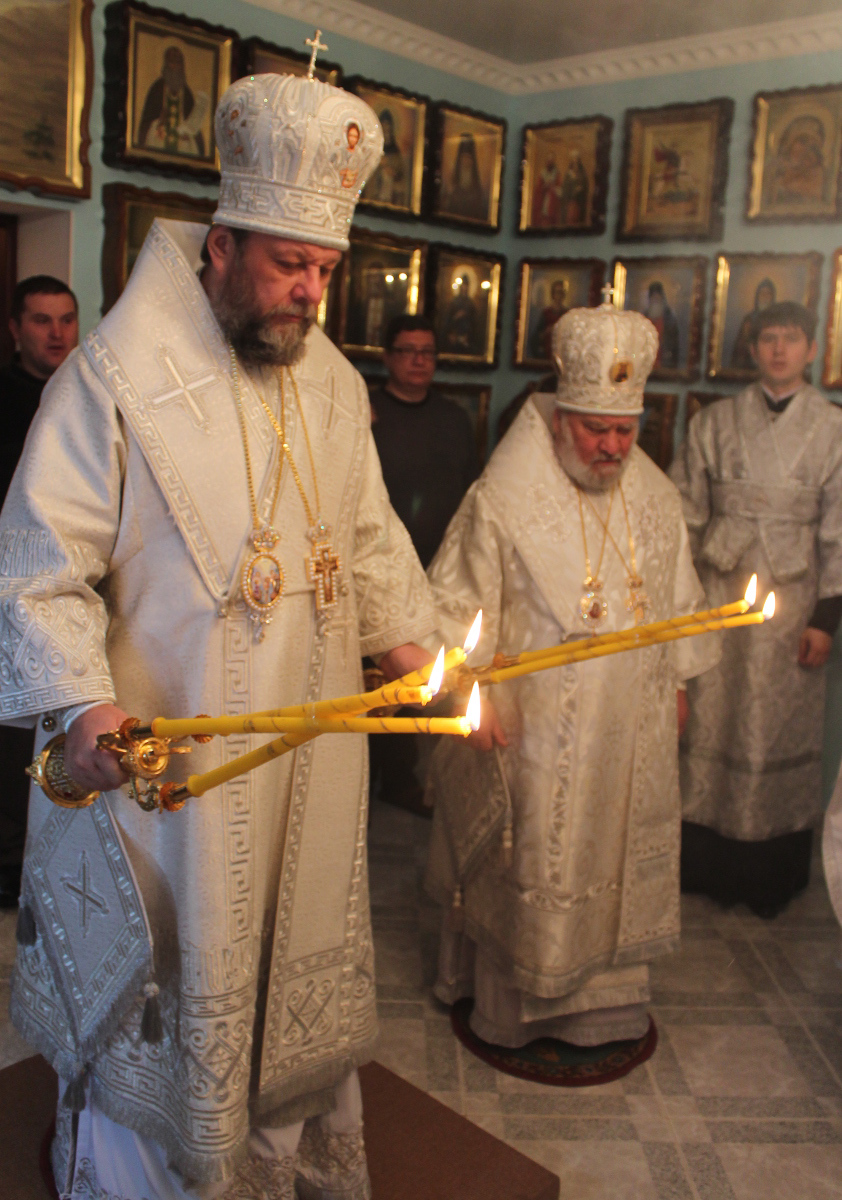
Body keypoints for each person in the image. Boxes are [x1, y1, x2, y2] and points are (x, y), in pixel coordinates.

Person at [2, 72, 437, 1200]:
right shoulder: (112, 377)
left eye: (326, 269)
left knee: (289, 963)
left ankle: (272, 1165)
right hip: (170, 768)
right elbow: (37, 565)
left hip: (307, 760)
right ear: (223, 245)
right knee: (178, 982)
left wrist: (413, 646)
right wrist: (85, 706)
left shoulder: (332, 382)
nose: (309, 292)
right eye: (289, 263)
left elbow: (368, 534)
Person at [424, 299, 718, 1050]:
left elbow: (679, 604)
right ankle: (512, 1012)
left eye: (626, 430)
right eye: (596, 429)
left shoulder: (655, 498)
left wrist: (677, 685)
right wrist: (471, 691)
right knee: (532, 858)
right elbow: (454, 606)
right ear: (559, 418)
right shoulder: (503, 498)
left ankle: (604, 1010)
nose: (613, 447)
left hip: (630, 728)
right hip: (534, 730)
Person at [671, 300, 842, 918]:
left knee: (773, 727)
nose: (779, 349)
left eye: (791, 339)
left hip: (792, 603)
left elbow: (841, 528)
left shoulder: (834, 428)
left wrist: (826, 619)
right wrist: (678, 600)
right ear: (753, 349)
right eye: (768, 338)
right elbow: (683, 514)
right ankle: (703, 865)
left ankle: (768, 875)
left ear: (811, 350)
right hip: (718, 591)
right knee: (712, 719)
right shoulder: (714, 422)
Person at [368, 315, 478, 812]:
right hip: (377, 570)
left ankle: (403, 779)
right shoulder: (367, 414)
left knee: (423, 673)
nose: (418, 360)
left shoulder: (454, 419)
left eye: (427, 352)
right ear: (388, 357)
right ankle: (368, 777)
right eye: (408, 350)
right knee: (379, 672)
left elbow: (470, 489)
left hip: (439, 564)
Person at [0, 275, 78, 908]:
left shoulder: (88, 395)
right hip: (5, 585)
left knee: (59, 720)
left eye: (66, 320)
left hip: (67, 586)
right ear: (15, 329)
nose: (56, 333)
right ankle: (7, 861)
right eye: (41, 320)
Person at [137, 45, 208, 159]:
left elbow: (193, 123)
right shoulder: (157, 89)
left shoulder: (186, 93)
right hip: (158, 139)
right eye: (171, 62)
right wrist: (160, 120)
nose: (175, 66)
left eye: (178, 63)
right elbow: (147, 121)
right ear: (166, 64)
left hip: (182, 143)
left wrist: (189, 132)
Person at [731, 277, 776, 371]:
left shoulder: (778, 321)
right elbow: (740, 348)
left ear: (772, 297)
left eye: (768, 294)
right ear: (757, 296)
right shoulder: (749, 320)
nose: (765, 297)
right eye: (762, 294)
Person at [442, 133, 486, 221]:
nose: (466, 161)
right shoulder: (453, 180)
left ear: (472, 161)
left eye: (468, 158)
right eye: (463, 158)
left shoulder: (476, 184)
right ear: (460, 159)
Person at [643, 281, 680, 370]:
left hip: (664, 364)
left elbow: (674, 346)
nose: (656, 299)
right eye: (653, 296)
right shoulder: (643, 318)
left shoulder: (670, 319)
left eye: (658, 296)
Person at [531, 278, 569, 362]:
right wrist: (547, 331)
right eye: (558, 292)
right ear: (553, 294)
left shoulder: (566, 314)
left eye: (562, 292)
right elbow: (537, 335)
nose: (560, 295)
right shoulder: (546, 313)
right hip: (547, 348)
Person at [558, 147, 589, 225]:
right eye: (573, 158)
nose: (575, 160)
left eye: (576, 158)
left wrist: (580, 188)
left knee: (577, 219)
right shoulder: (568, 174)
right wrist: (571, 190)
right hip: (569, 201)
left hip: (578, 201)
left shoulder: (582, 173)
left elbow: (584, 185)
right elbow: (565, 187)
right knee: (569, 218)